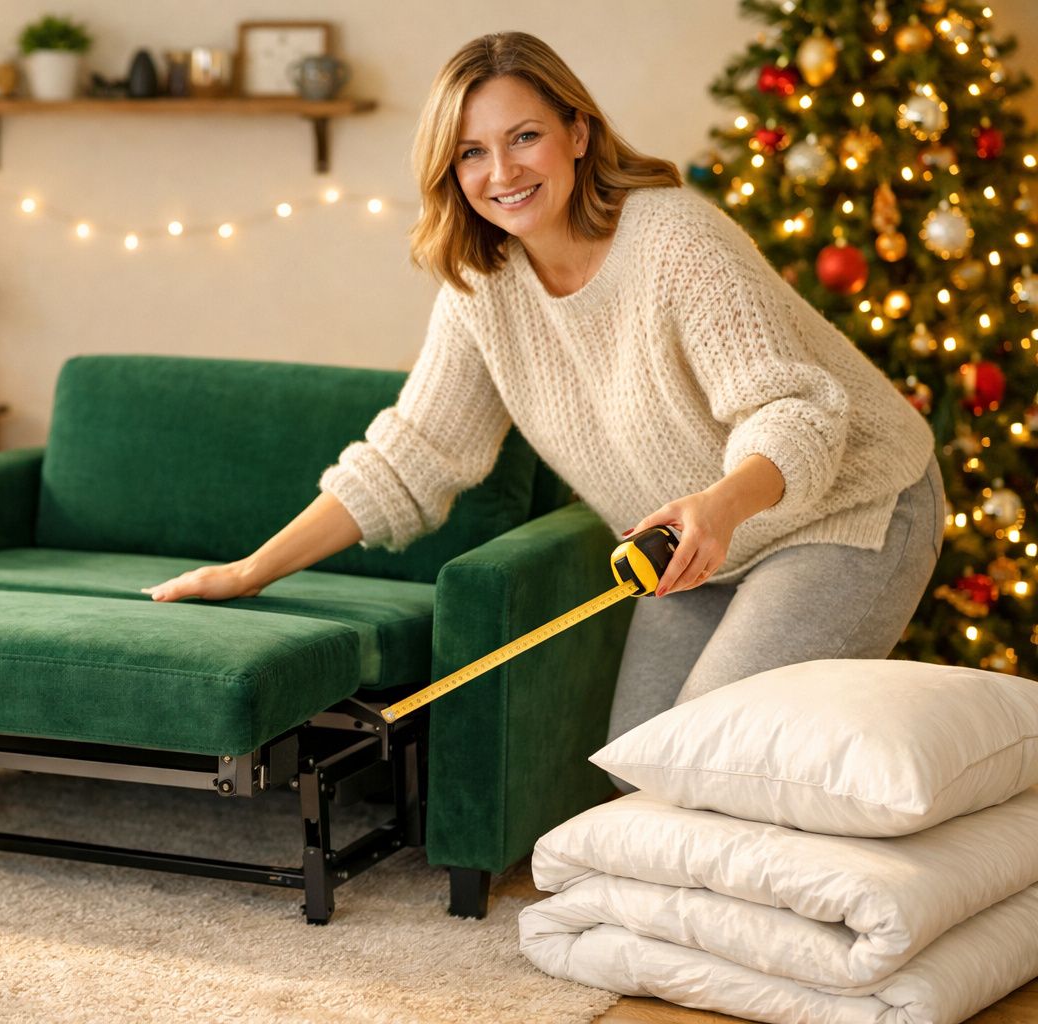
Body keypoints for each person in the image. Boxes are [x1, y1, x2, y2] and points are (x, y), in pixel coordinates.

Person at [142, 31, 943, 764]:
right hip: (698, 548)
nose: (503, 173)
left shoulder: (674, 239)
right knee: (642, 768)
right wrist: (253, 570)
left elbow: (793, 410)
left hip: (850, 509)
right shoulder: (483, 289)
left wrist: (723, 506)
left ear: (578, 134)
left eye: (524, 136)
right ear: (450, 172)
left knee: (717, 755)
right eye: (471, 153)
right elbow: (411, 456)